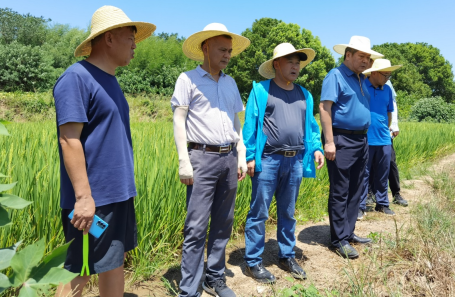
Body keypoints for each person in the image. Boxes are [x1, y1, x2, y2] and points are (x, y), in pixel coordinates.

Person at [54, 6, 156, 297]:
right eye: (130, 38)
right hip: (93, 202)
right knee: (80, 269)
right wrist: (84, 198)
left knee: (114, 261)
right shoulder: (76, 78)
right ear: (109, 39)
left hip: (119, 195)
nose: (135, 45)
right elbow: (69, 139)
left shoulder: (111, 81)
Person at [171, 23, 250, 297]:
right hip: (201, 158)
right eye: (222, 49)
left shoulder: (230, 83)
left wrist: (241, 155)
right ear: (205, 48)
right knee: (195, 226)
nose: (227, 55)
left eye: (229, 51)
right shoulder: (188, 79)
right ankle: (189, 289)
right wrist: (184, 160)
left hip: (228, 158)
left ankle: (214, 278)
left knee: (223, 221)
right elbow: (179, 120)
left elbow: (236, 122)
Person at [242, 43, 324, 283]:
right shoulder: (260, 91)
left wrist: (317, 148)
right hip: (268, 160)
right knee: (259, 213)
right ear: (276, 64)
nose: (295, 66)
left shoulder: (304, 94)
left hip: (295, 160)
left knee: (288, 212)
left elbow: (311, 126)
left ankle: (286, 255)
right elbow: (250, 125)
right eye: (290, 61)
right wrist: (248, 156)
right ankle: (253, 262)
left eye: (298, 62)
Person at [319, 36, 383, 259]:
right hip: (341, 139)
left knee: (357, 188)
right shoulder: (335, 76)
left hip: (360, 140)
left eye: (368, 57)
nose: (365, 61)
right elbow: (325, 108)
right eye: (361, 56)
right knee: (341, 189)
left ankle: (349, 232)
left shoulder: (361, 79)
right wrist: (329, 141)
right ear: (348, 55)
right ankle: (338, 240)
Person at [358, 59, 403, 219]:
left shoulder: (387, 91)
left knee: (383, 173)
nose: (387, 78)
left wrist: (385, 128)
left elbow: (389, 113)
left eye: (389, 75)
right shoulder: (362, 87)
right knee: (364, 174)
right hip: (366, 139)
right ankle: (361, 206)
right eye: (385, 74)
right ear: (374, 73)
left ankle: (382, 204)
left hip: (384, 139)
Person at [367, 79, 408, 207]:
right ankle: (370, 194)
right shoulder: (362, 79)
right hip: (369, 132)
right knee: (369, 164)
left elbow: (392, 105)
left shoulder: (387, 84)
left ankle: (396, 193)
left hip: (385, 131)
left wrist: (394, 125)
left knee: (390, 162)